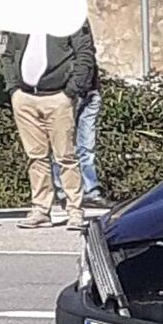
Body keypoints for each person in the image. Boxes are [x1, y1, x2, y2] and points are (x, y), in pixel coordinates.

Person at [2, 0, 94, 230]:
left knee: (66, 156)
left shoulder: (69, 16)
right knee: (36, 156)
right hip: (25, 97)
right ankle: (41, 208)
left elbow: (85, 55)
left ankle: (75, 210)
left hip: (58, 97)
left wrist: (71, 91)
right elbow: (8, 54)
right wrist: (13, 89)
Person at [52, 26, 113, 210]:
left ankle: (91, 190)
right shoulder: (58, 23)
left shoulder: (80, 22)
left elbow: (87, 53)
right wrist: (71, 89)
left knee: (87, 145)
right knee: (63, 144)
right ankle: (63, 191)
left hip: (90, 90)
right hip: (70, 91)